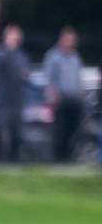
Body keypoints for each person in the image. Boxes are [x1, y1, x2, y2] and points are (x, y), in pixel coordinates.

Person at [0, 25, 31, 163]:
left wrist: (25, 76)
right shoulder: (1, 53)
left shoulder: (22, 56)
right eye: (14, 35)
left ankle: (15, 160)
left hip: (17, 99)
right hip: (2, 99)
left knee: (16, 131)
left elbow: (25, 73)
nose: (18, 38)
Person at [44, 27, 84, 161]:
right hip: (60, 100)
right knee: (60, 131)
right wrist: (53, 95)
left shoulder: (75, 57)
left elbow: (78, 78)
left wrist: (80, 92)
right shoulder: (53, 57)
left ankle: (69, 156)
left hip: (74, 100)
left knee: (72, 130)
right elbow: (50, 79)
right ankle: (58, 157)